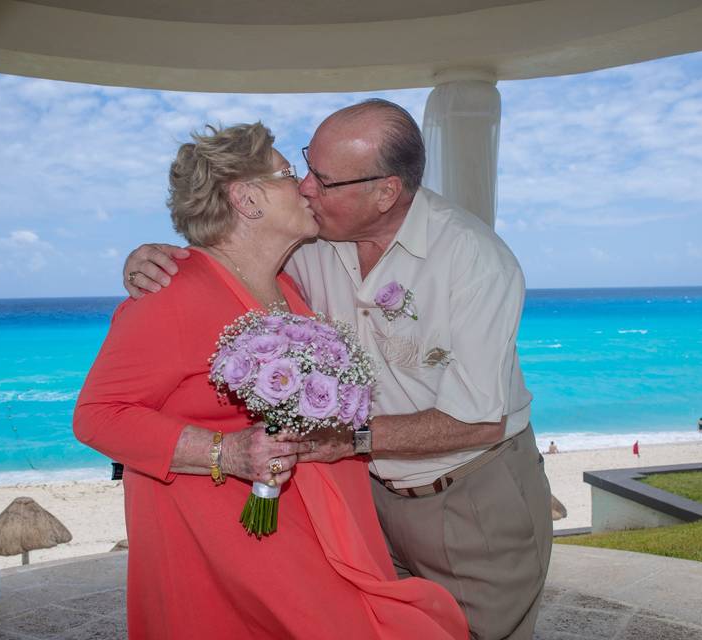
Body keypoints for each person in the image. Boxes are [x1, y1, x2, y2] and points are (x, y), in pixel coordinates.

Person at [124, 99, 552, 640]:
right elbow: (233, 252)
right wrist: (155, 258)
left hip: (468, 495)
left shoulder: (474, 260)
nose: (305, 188)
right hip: (369, 498)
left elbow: (479, 420)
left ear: (385, 192)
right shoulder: (310, 242)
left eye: (322, 180)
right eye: (303, 167)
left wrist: (348, 438)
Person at [73, 123, 466, 639]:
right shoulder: (170, 294)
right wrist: (225, 452)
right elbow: (98, 416)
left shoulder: (287, 283)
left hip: (313, 524)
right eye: (288, 174)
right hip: (236, 547)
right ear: (247, 199)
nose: (306, 185)